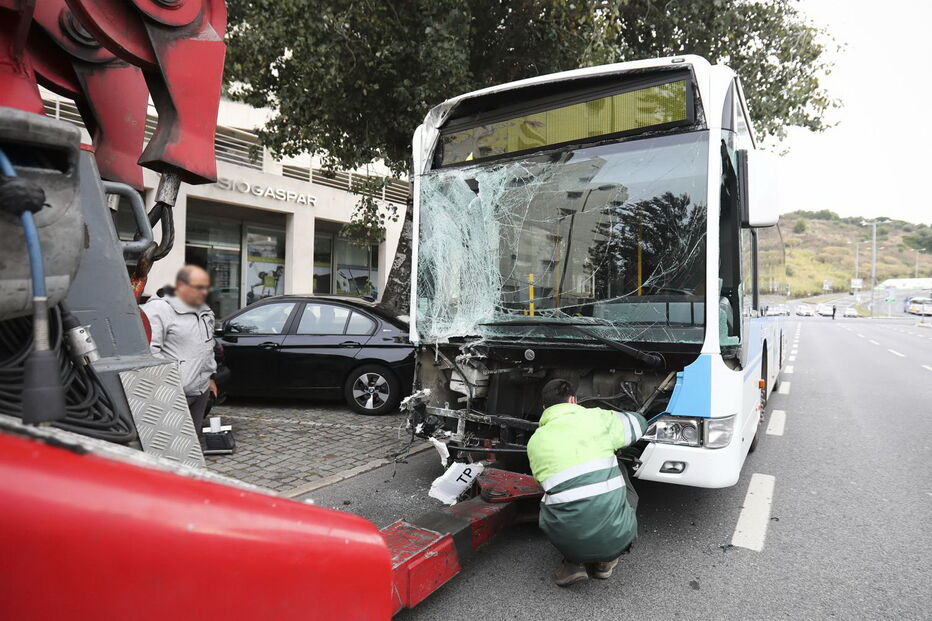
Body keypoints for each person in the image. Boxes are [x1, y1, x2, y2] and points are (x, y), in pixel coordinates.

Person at [527, 379, 647, 586]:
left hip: (566, 541)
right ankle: (606, 563)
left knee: (553, 494)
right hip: (616, 538)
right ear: (573, 400)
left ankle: (573, 563)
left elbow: (541, 484)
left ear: (545, 408)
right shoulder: (597, 418)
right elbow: (639, 424)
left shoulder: (534, 442)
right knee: (619, 467)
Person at [141, 265, 218, 446]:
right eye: (198, 287)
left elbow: (207, 347)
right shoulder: (159, 309)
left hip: (200, 390)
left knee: (191, 444)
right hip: (173, 394)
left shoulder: (204, 310)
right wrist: (173, 381)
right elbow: (149, 352)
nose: (203, 292)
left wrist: (210, 377)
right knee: (166, 445)